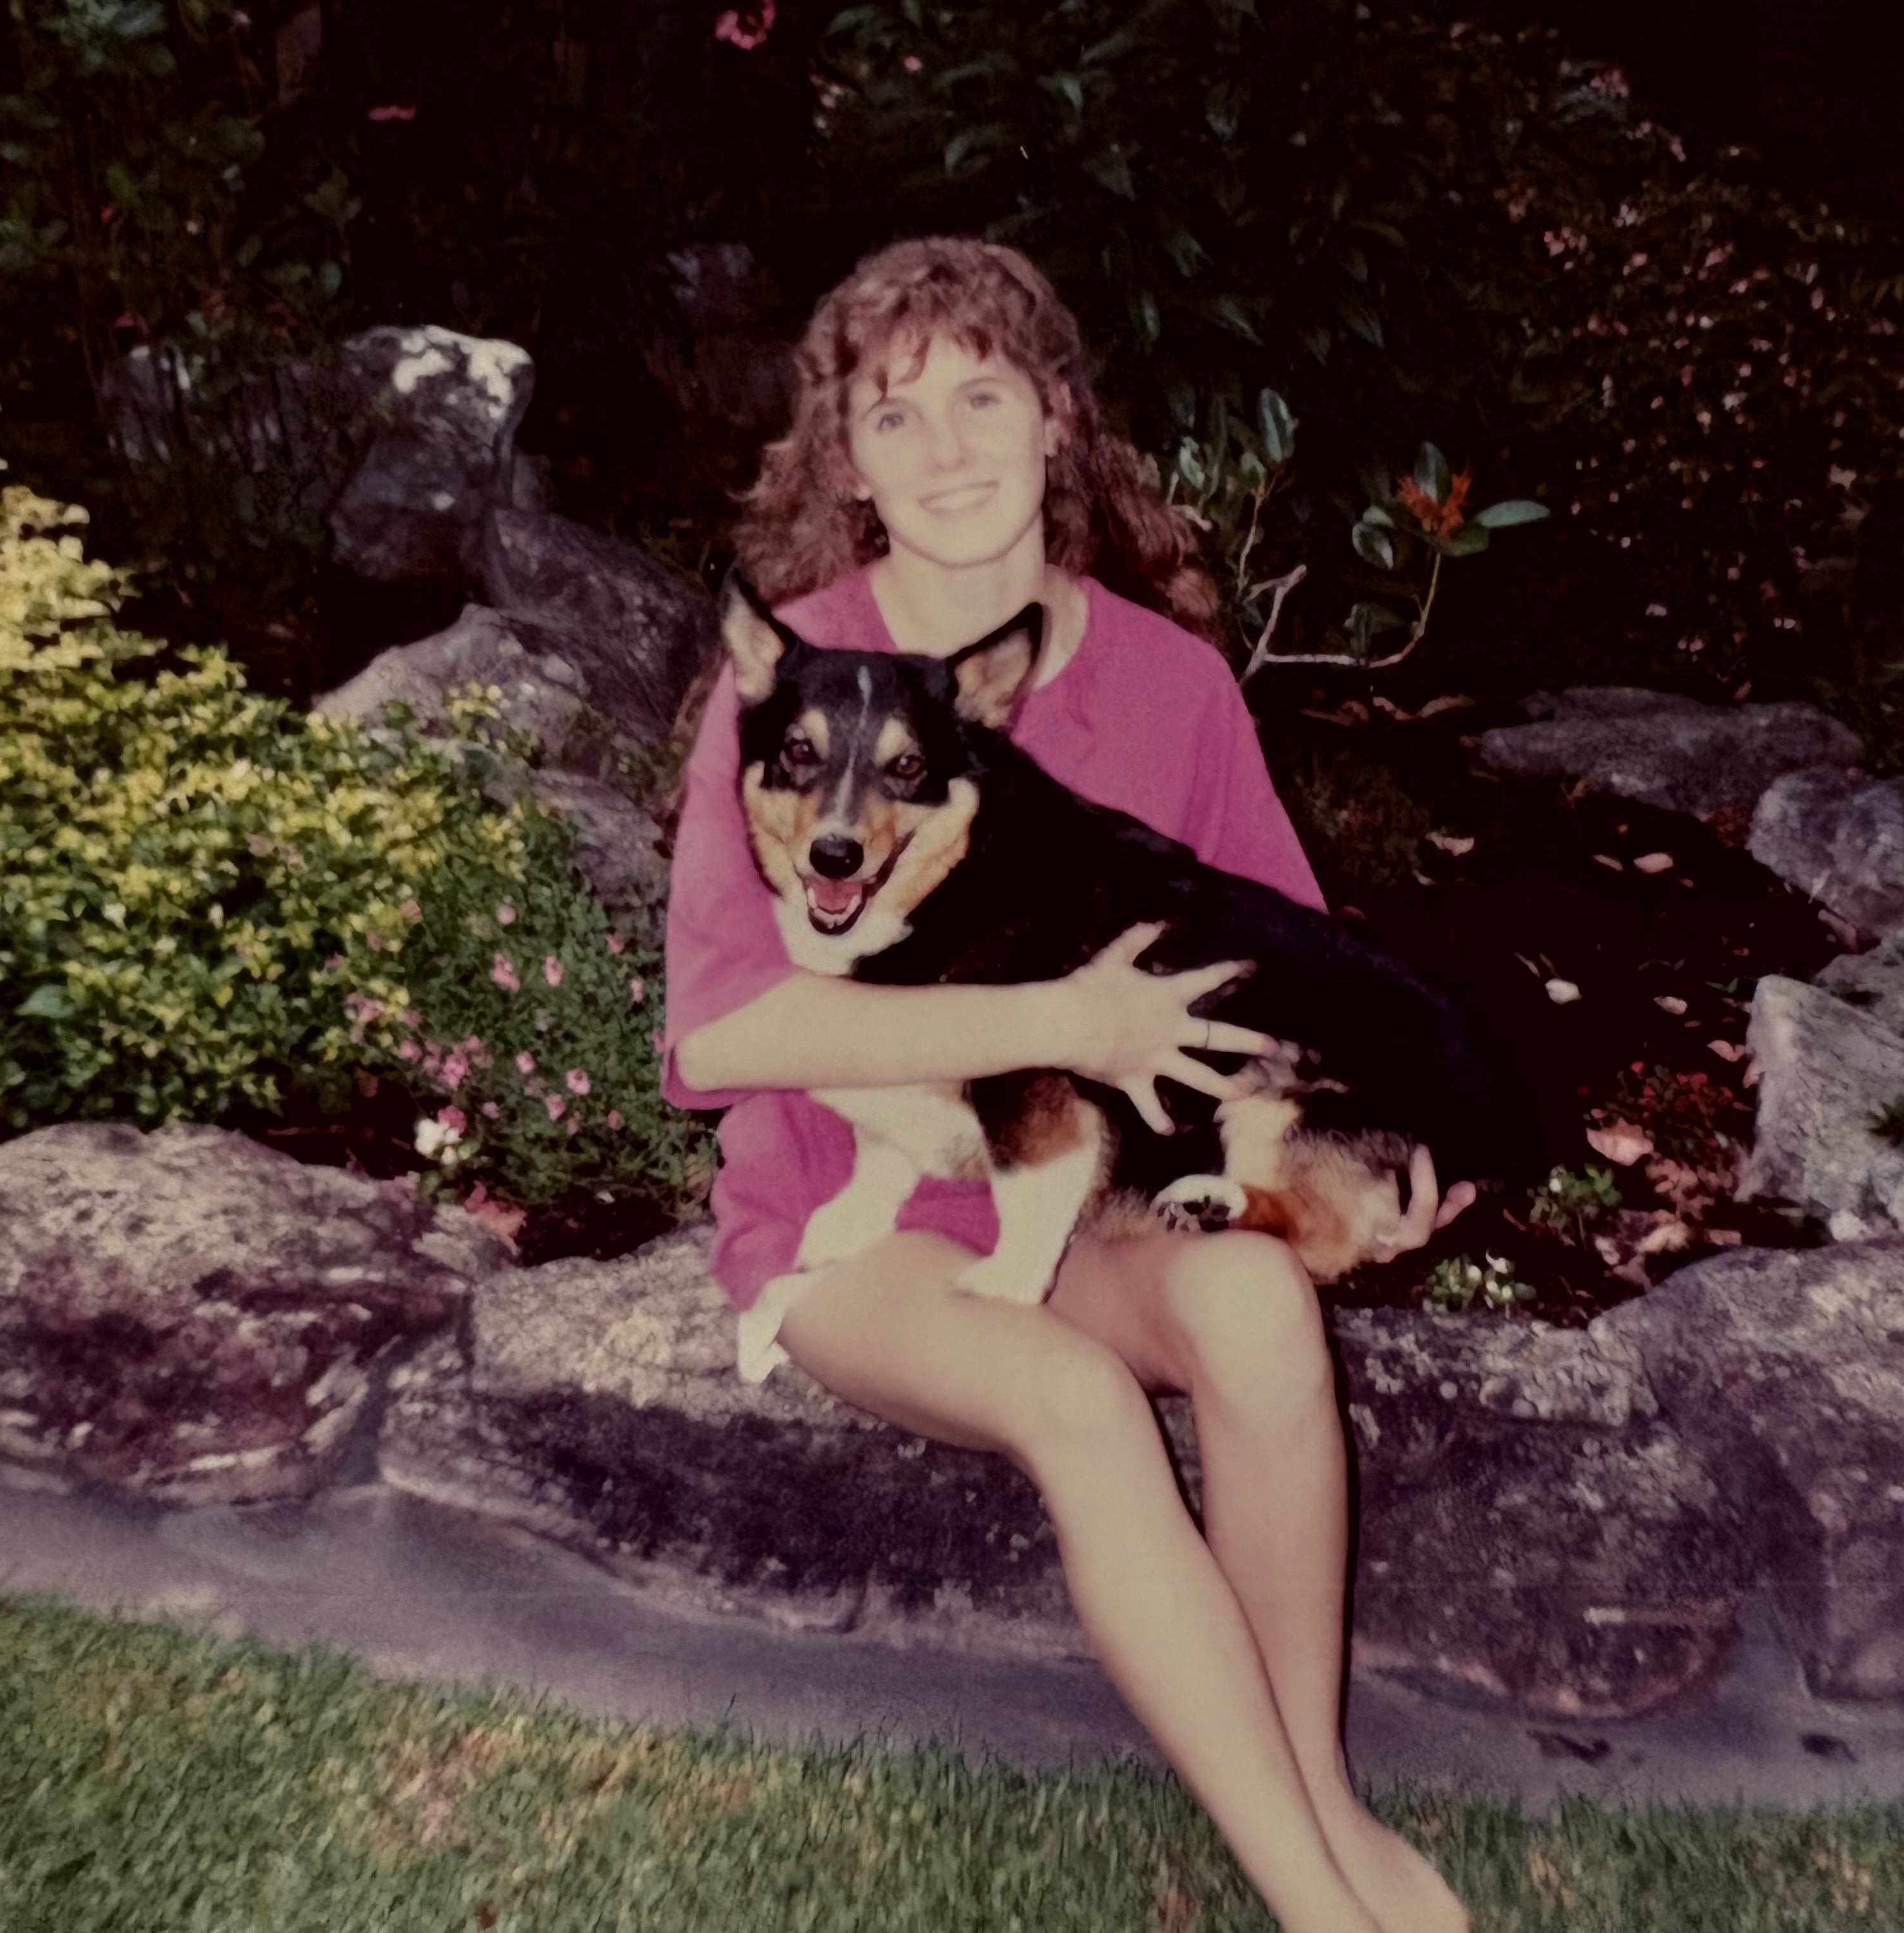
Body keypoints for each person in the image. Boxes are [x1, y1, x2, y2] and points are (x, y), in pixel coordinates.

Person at [662, 236, 1476, 1933]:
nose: (949, 449)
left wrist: (1381, 1148)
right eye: (897, 416)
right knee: (1080, 1402)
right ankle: (1317, 1906)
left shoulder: (1171, 683)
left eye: (984, 397)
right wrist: (1069, 1021)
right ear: (848, 461)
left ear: (1056, 422)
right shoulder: (798, 678)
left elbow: (1285, 972)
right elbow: (720, 1040)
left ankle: (1322, 1797)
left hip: (1097, 1195)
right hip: (853, 1217)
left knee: (1260, 1305)